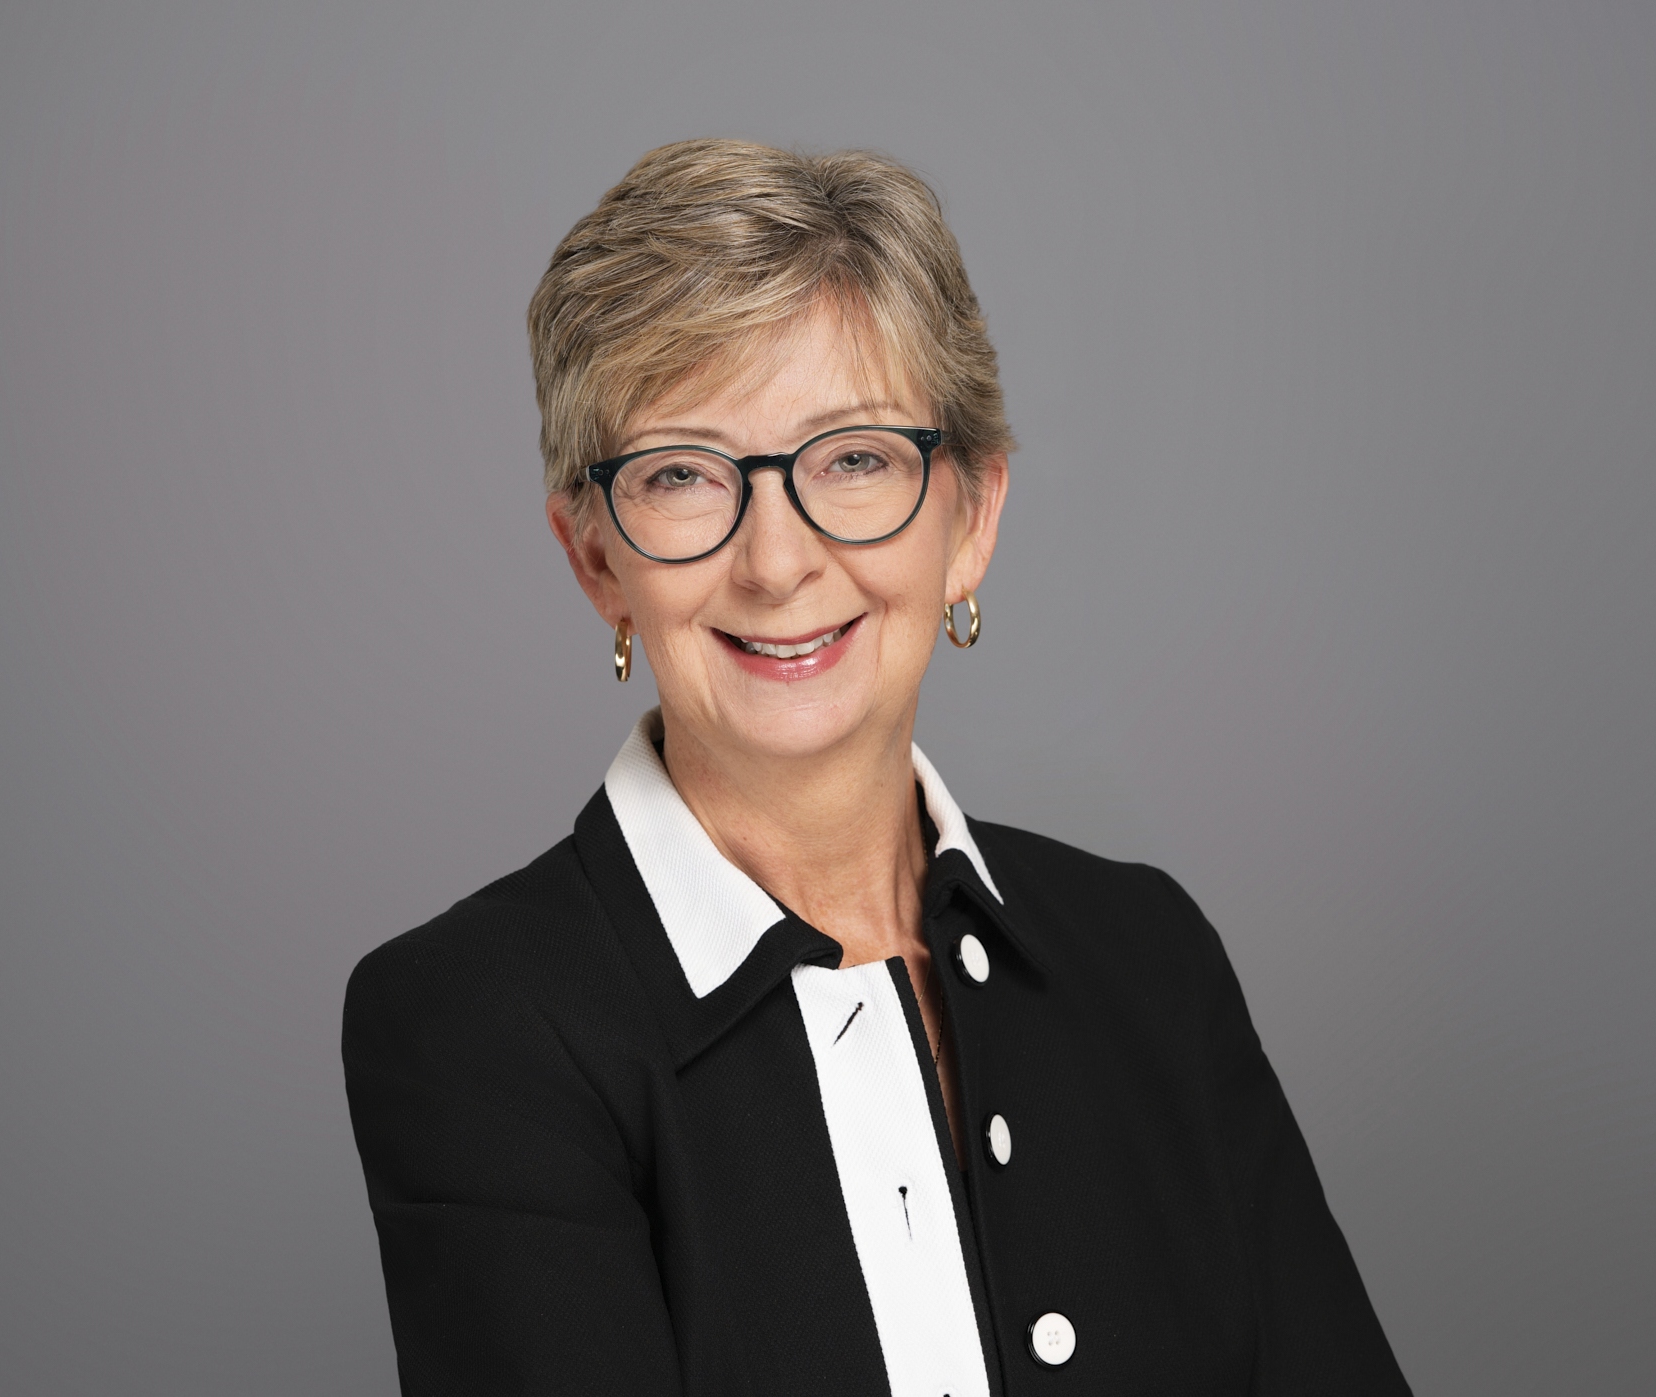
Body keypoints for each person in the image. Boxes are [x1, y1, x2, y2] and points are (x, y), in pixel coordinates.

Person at [343, 138, 1410, 1397]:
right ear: (595, 560)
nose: (778, 561)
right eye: (684, 475)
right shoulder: (477, 1023)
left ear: (973, 518)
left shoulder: (1149, 956)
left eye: (853, 458)